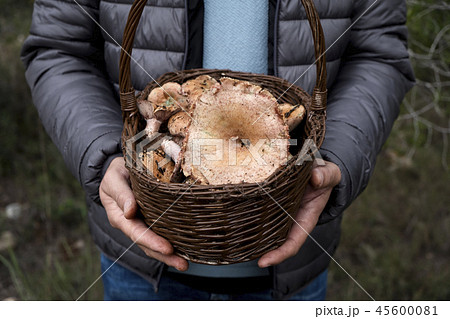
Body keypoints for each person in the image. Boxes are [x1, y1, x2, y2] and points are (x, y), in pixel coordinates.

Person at [21, 0, 414, 300]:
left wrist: (338, 158)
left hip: (294, 262)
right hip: (139, 261)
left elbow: (379, 53)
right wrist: (104, 156)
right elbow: (58, 47)